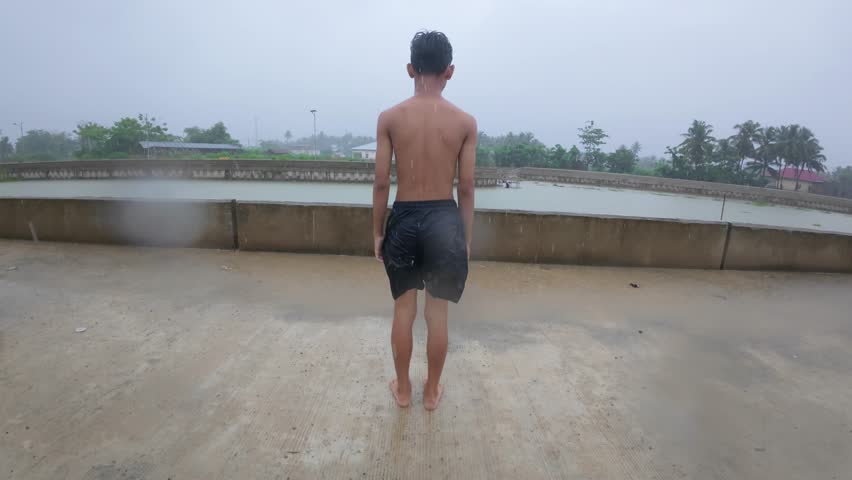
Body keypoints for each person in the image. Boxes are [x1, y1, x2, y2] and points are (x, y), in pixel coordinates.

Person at [372, 30, 477, 411]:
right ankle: (431, 392)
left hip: (404, 217)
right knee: (438, 312)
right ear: (449, 71)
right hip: (444, 222)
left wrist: (378, 231)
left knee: (404, 309)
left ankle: (403, 390)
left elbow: (382, 180)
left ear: (410, 68)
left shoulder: (390, 118)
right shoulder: (464, 122)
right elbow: (465, 188)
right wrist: (464, 236)